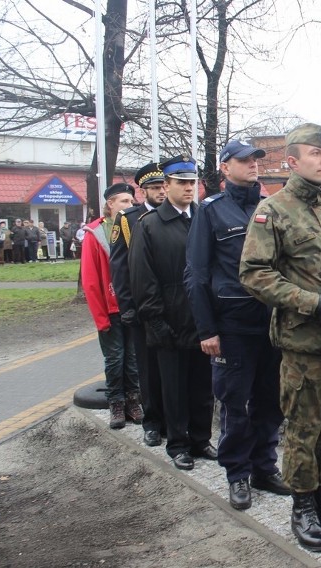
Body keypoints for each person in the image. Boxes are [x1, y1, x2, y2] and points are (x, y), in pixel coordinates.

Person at [238, 123, 321, 553]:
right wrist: (313, 302)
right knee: (302, 427)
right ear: (292, 161)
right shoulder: (273, 211)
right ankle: (303, 507)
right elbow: (254, 275)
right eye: (316, 154)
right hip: (303, 343)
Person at [185, 140, 289, 511]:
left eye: (255, 160)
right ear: (225, 168)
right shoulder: (211, 211)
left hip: (273, 322)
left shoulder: (272, 208)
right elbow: (196, 275)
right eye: (243, 160)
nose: (252, 165)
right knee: (235, 404)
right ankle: (237, 474)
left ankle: (264, 467)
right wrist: (206, 329)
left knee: (271, 401)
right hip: (232, 326)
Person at [129, 155, 216, 471]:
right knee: (174, 388)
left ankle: (200, 438)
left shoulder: (203, 218)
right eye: (182, 183)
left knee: (202, 386)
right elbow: (142, 278)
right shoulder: (150, 225)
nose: (189, 188)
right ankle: (178, 443)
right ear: (166, 186)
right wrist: (155, 320)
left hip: (201, 319)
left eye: (192, 182)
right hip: (169, 319)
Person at [110, 162, 167, 447]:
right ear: (142, 191)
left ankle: (174, 421)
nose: (160, 191)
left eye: (162, 186)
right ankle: (153, 422)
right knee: (148, 369)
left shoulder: (184, 215)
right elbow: (119, 269)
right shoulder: (128, 219)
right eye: (155, 187)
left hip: (174, 308)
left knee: (174, 369)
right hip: (143, 309)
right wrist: (127, 307)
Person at [81, 183, 142, 428]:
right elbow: (91, 279)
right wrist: (100, 317)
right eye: (124, 201)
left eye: (131, 201)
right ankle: (116, 402)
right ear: (110, 204)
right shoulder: (96, 233)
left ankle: (134, 400)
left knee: (133, 357)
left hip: (132, 305)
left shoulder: (136, 226)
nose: (129, 206)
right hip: (110, 307)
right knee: (115, 358)